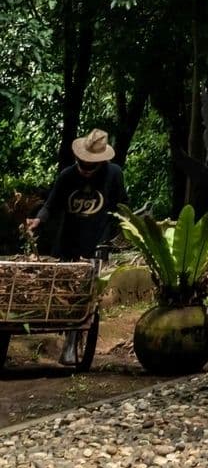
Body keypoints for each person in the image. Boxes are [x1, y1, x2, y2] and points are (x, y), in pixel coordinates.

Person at [28, 128, 126, 367]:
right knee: (64, 293)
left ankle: (72, 343)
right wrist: (37, 220)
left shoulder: (113, 175)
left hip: (96, 243)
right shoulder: (67, 176)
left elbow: (122, 206)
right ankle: (64, 335)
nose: (85, 168)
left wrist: (122, 232)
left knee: (83, 294)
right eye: (82, 163)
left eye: (90, 165)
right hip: (68, 243)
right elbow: (50, 205)